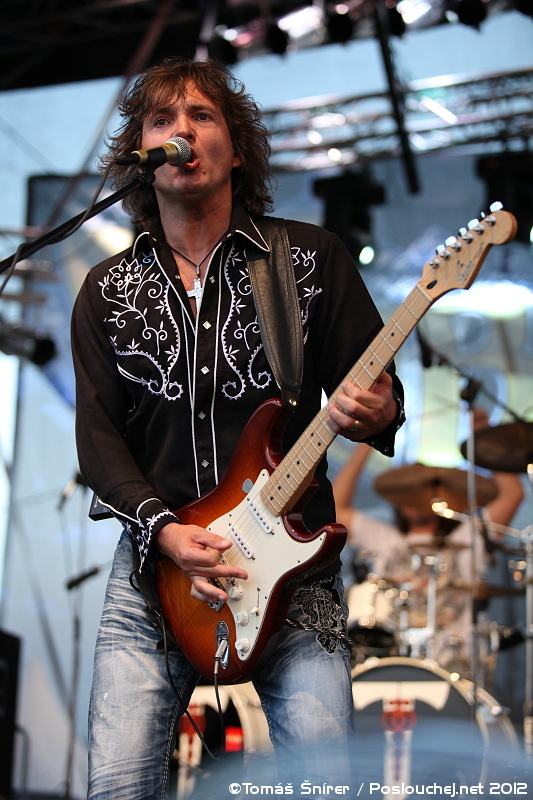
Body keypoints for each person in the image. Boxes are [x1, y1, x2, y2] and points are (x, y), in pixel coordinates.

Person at [71, 57, 405, 799]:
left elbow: (381, 401)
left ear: (237, 148)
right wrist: (164, 531)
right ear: (141, 155)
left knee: (325, 786)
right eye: (162, 120)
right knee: (117, 789)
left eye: (201, 115)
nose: (181, 131)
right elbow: (99, 440)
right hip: (155, 578)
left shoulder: (309, 260)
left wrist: (378, 410)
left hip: (294, 574)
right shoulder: (107, 291)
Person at [332, 411, 524, 677]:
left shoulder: (467, 537)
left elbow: (512, 494)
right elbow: (336, 508)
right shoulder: (383, 537)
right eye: (407, 489)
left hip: (455, 667)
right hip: (392, 660)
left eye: (420, 489)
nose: (414, 496)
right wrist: (368, 440)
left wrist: (484, 437)